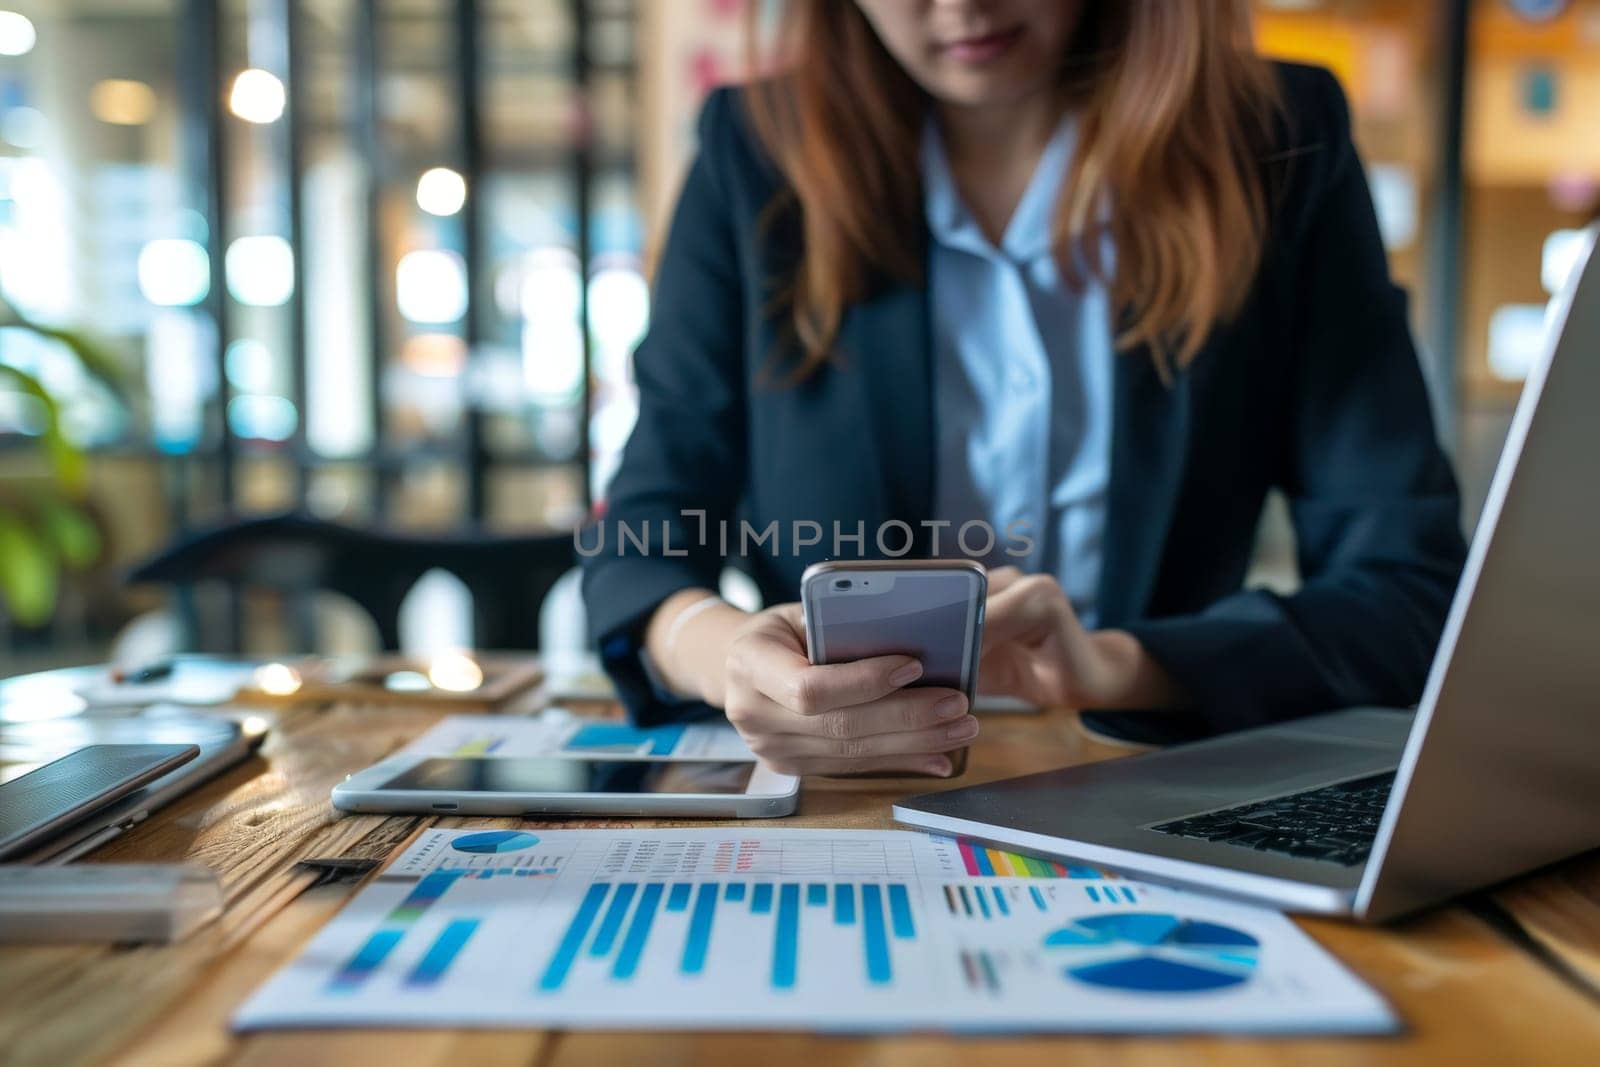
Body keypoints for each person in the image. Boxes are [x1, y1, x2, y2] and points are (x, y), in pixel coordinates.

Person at [581, 0, 1467, 777]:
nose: (963, 6)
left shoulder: (1277, 141)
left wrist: (1119, 665)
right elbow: (642, 536)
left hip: (1154, 781)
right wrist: (727, 651)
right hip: (841, 794)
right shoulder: (757, 150)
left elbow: (1407, 592)